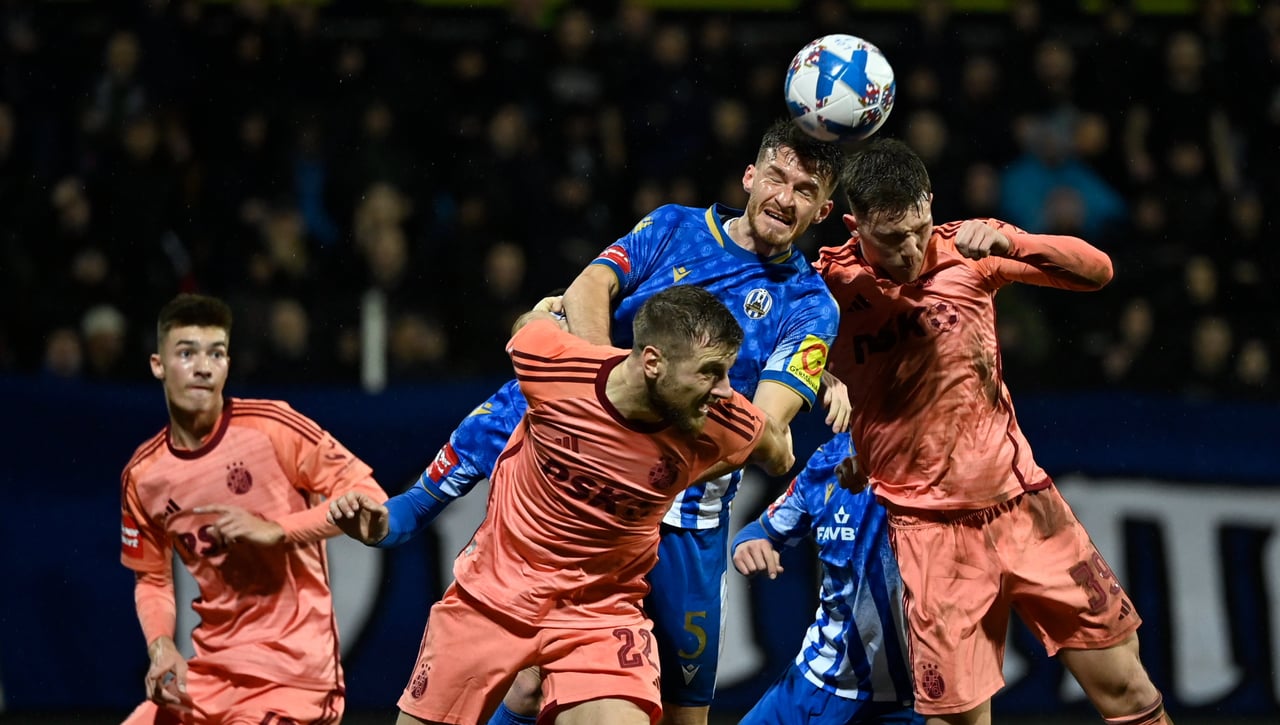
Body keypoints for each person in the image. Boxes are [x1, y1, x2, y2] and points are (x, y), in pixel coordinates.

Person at [365, 118, 848, 725]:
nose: (784, 197)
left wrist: (666, 416)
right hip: (581, 465)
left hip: (684, 509)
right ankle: (413, 505)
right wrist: (598, 398)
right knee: (526, 685)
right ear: (750, 177)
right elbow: (589, 286)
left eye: (804, 190)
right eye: (776, 177)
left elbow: (769, 433)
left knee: (683, 712)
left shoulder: (811, 307)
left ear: (823, 210)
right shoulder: (674, 225)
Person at [815, 138, 1172, 725]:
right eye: (889, 239)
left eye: (916, 230)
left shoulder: (969, 248)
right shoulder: (828, 287)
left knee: (1129, 690)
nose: (907, 252)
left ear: (930, 203)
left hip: (1026, 508)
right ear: (855, 226)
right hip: (930, 533)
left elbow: (1098, 272)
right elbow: (780, 354)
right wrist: (822, 381)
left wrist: (1016, 240)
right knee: (959, 721)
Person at [330, 286, 796, 724]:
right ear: (652, 361)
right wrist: (379, 524)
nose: (724, 388)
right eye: (710, 372)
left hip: (598, 616)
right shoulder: (543, 378)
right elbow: (527, 331)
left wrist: (700, 463)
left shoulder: (716, 419)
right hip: (491, 600)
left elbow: (779, 453)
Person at [118, 293, 389, 724]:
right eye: (186, 353)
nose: (203, 366)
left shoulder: (272, 427)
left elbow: (370, 499)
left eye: (217, 353)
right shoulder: (144, 475)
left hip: (293, 676)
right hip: (213, 673)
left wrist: (278, 530)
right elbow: (151, 575)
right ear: (157, 365)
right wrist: (161, 646)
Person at [732, 431, 920, 725]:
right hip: (816, 679)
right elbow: (764, 528)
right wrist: (750, 542)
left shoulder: (941, 468)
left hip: (909, 697)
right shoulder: (827, 462)